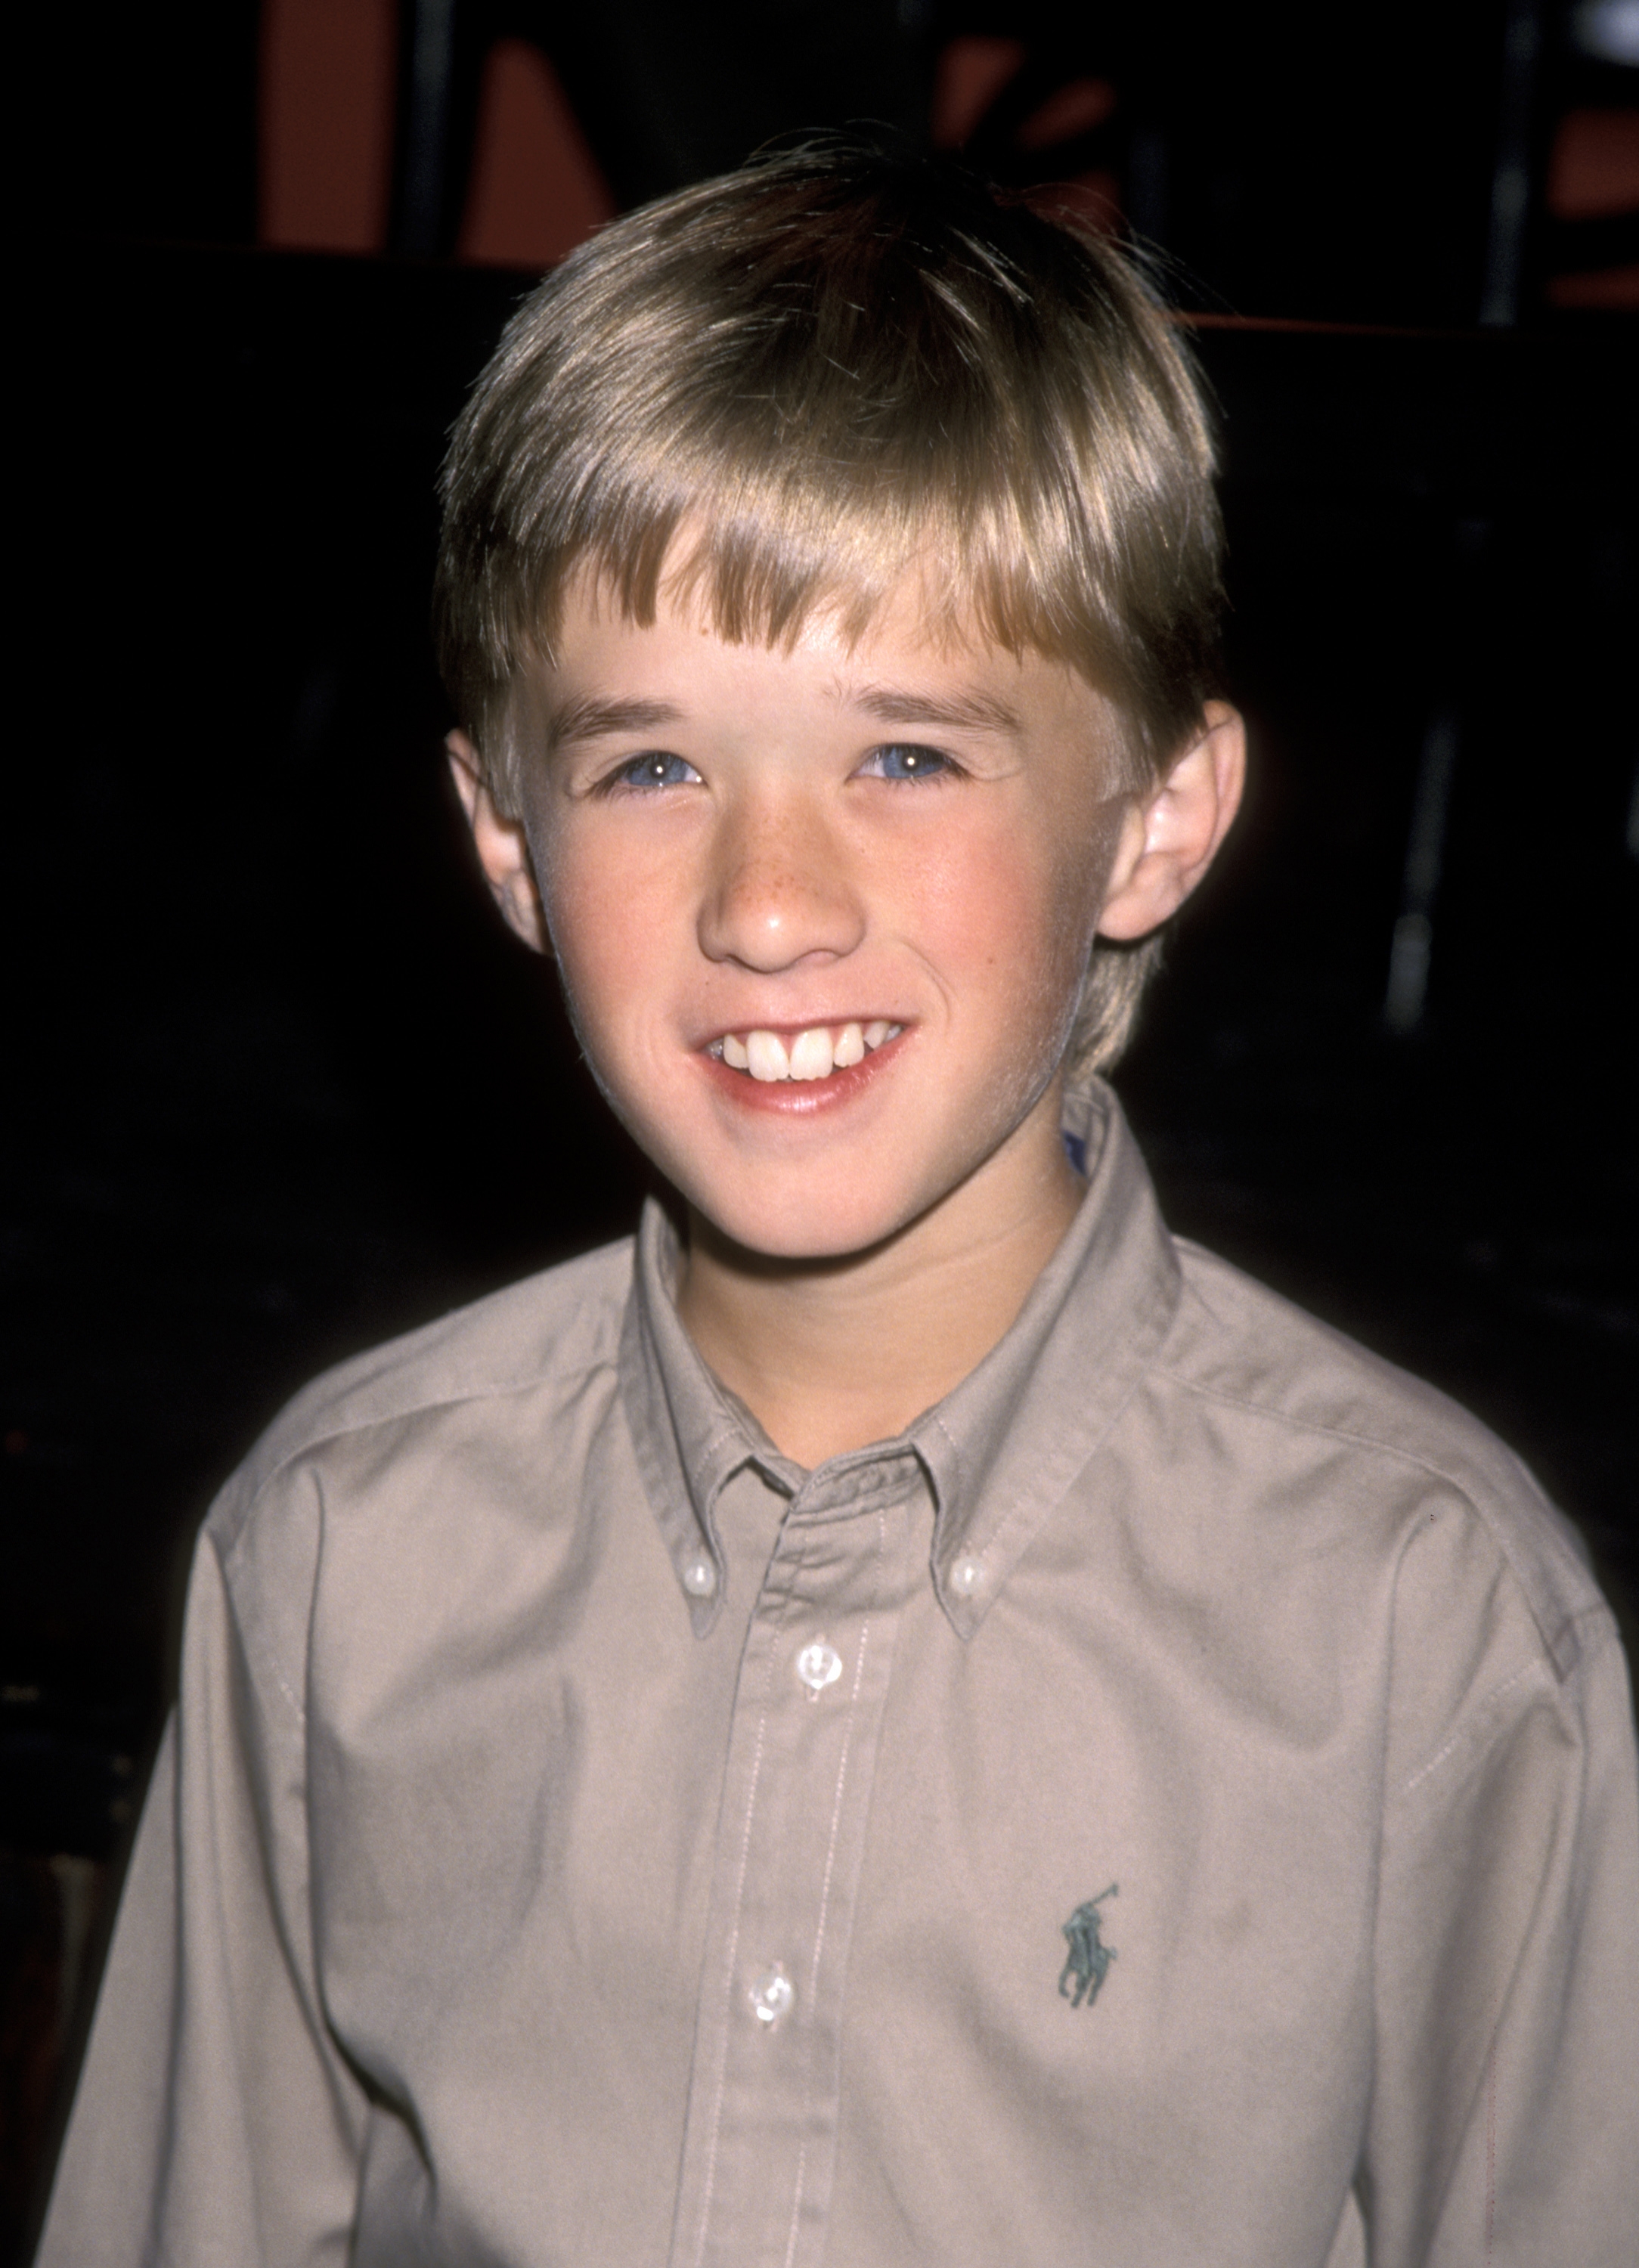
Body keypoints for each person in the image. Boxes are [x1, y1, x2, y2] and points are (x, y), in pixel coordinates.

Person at [37, 141, 1638, 2267]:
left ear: (1157, 818)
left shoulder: (1426, 1622)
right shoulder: (338, 1555)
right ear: (507, 846)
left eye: (906, 756)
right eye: (651, 766)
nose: (771, 905)